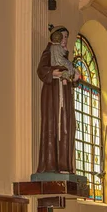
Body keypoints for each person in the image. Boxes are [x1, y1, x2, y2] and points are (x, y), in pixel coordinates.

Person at [36, 25, 81, 174]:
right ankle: (51, 165)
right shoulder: (50, 52)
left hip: (65, 95)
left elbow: (72, 76)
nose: (64, 40)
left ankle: (65, 165)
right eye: (62, 36)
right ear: (56, 37)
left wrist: (73, 76)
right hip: (53, 95)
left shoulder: (65, 59)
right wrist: (53, 73)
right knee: (53, 125)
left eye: (67, 37)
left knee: (66, 127)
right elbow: (41, 69)